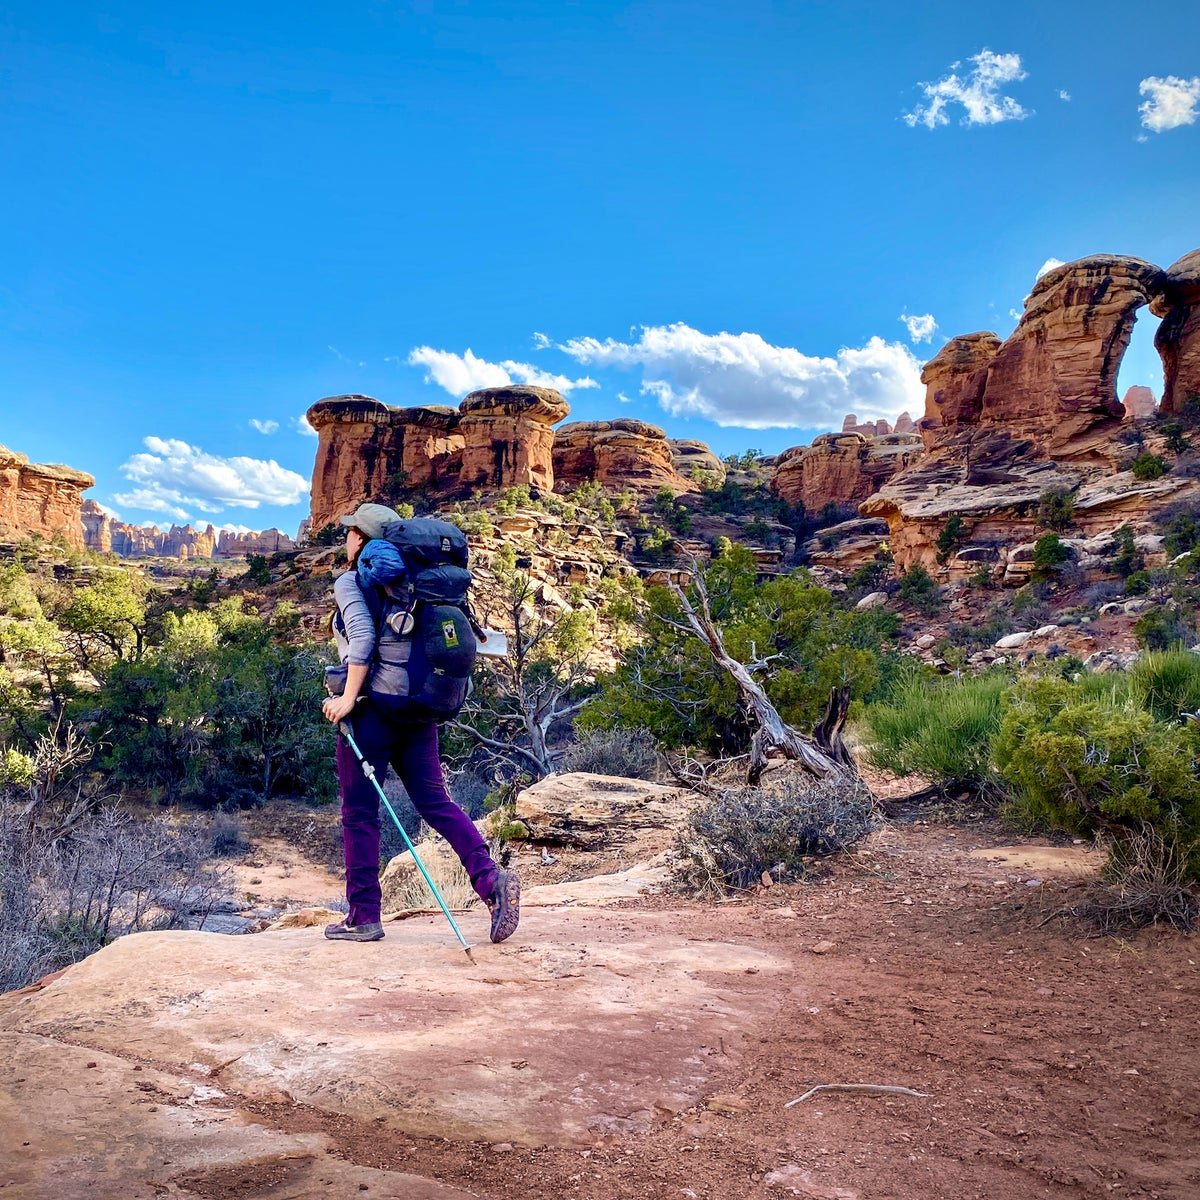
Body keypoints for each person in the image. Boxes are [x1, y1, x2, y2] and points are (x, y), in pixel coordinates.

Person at [321, 502, 520, 944]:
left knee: (359, 814)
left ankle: (363, 918)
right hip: (419, 710)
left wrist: (347, 698)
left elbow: (363, 639)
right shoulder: (426, 585)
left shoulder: (353, 581)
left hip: (371, 711)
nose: (346, 538)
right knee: (436, 803)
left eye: (351, 531)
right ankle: (490, 882)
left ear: (364, 541)